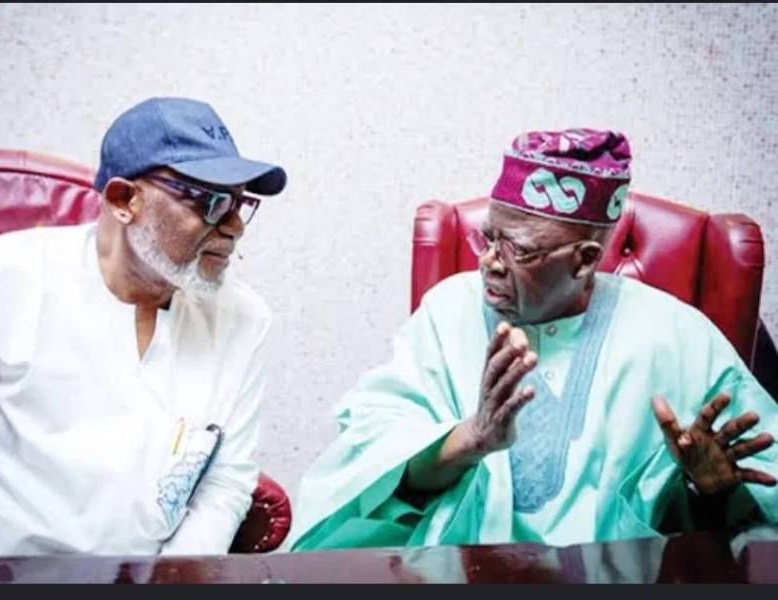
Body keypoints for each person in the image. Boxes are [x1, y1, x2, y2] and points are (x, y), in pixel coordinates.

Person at [286, 128, 777, 551]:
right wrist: (471, 439)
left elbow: (754, 508)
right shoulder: (448, 309)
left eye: (516, 249)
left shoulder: (676, 335)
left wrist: (713, 489)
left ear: (584, 261)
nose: (489, 261)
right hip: (461, 573)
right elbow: (373, 469)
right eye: (489, 238)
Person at [0, 97, 287, 555]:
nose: (236, 226)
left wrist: (176, 582)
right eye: (214, 202)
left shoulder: (243, 317)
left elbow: (224, 484)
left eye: (243, 203)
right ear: (124, 200)